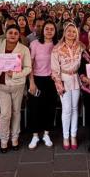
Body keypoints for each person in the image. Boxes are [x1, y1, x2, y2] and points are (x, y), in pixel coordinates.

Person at [0, 24, 32, 152]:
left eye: (16, 33)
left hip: (17, 84)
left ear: (19, 35)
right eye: (10, 32)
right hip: (1, 84)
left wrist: (15, 74)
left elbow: (28, 68)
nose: (13, 35)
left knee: (16, 112)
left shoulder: (24, 49)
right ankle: (4, 139)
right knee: (5, 114)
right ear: (6, 33)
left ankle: (15, 137)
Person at [51, 23, 84, 150]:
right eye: (68, 31)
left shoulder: (80, 46)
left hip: (76, 78)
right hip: (63, 79)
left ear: (76, 33)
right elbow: (54, 69)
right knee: (66, 109)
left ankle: (73, 135)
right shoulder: (57, 48)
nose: (71, 33)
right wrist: (59, 84)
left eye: (73, 31)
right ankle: (65, 136)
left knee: (75, 108)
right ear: (64, 32)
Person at [28, 20, 58, 150]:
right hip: (37, 79)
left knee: (49, 107)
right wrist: (31, 82)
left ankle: (46, 133)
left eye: (52, 29)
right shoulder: (34, 44)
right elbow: (29, 64)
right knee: (34, 108)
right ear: (43, 30)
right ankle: (35, 135)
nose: (49, 31)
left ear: (55, 31)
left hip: (52, 80)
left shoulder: (57, 45)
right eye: (47, 29)